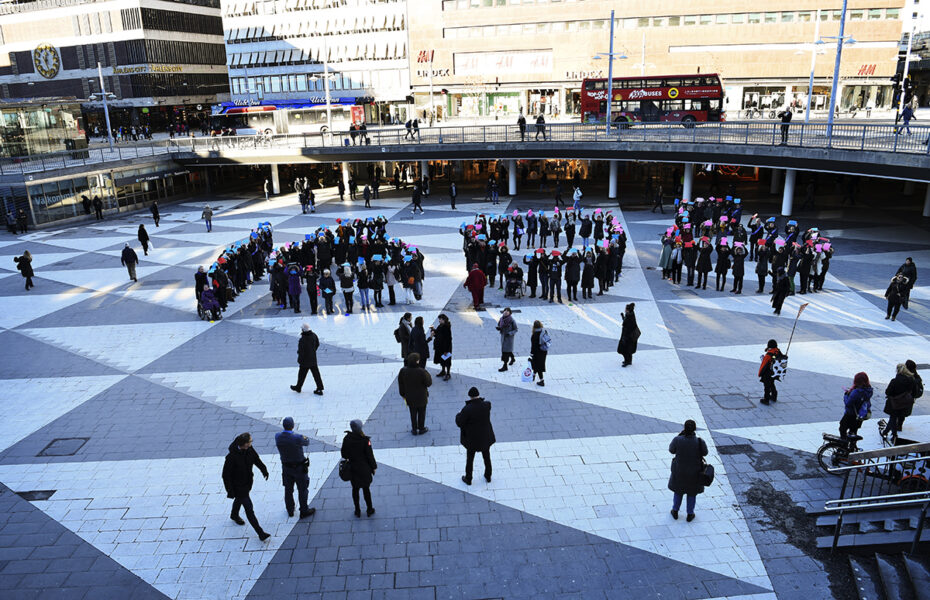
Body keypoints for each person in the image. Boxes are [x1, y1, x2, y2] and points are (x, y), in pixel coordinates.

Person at [222, 432, 271, 541]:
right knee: (249, 509)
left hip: (248, 482)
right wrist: (230, 491)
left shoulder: (249, 449)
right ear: (244, 444)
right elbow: (225, 476)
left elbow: (256, 459)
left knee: (239, 500)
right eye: (250, 442)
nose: (251, 443)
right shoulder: (231, 457)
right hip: (238, 487)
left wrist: (264, 470)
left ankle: (234, 515)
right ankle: (260, 533)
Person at [275, 417, 317, 519]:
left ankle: (290, 509)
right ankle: (304, 510)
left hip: (286, 467)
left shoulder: (278, 436)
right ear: (293, 426)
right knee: (302, 489)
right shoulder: (297, 438)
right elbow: (306, 442)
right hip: (299, 467)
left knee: (288, 489)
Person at [667, 420, 708, 522]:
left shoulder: (678, 439)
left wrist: (679, 436)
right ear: (694, 429)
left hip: (679, 471)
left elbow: (672, 450)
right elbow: (705, 453)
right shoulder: (699, 441)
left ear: (684, 428)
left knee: (678, 491)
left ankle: (675, 510)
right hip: (695, 472)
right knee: (692, 493)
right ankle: (690, 513)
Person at [456, 387, 495, 485]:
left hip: (472, 438)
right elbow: (487, 404)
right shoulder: (486, 405)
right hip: (485, 436)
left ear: (470, 396)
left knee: (470, 459)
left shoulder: (467, 409)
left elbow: (460, 423)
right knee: (486, 456)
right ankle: (488, 475)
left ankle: (468, 478)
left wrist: (458, 414)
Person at [341, 420, 377, 517]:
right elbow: (370, 456)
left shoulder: (347, 439)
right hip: (364, 469)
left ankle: (357, 510)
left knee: (355, 489)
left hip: (353, 469)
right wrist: (373, 467)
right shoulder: (365, 440)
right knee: (366, 489)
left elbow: (344, 454)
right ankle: (369, 509)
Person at [883, 362, 919, 441]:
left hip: (894, 403)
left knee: (893, 417)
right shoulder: (911, 380)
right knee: (894, 418)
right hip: (905, 404)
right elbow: (915, 393)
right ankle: (886, 431)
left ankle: (894, 434)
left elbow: (888, 392)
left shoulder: (894, 381)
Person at [398, 352, 432, 435]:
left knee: (412, 413)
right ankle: (421, 428)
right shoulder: (422, 371)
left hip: (409, 397)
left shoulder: (403, 371)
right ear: (417, 361)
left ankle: (414, 429)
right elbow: (429, 383)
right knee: (421, 413)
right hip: (421, 397)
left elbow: (401, 384)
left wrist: (403, 394)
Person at [291, 323, 324, 395]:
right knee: (316, 374)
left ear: (303, 330)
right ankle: (320, 388)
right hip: (313, 359)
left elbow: (301, 351)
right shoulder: (314, 335)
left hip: (304, 361)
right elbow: (317, 344)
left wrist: (300, 359)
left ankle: (298, 387)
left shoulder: (303, 339)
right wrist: (313, 351)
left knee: (301, 375)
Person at [840, 373, 873, 439]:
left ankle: (843, 445)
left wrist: (846, 395)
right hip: (860, 415)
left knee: (842, 428)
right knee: (853, 431)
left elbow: (848, 404)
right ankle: (852, 447)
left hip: (850, 414)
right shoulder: (869, 390)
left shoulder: (856, 392)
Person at [758, 339, 785, 405]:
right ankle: (774, 396)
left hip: (768, 373)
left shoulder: (769, 354)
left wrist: (760, 373)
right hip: (775, 372)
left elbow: (763, 365)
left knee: (767, 386)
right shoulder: (778, 351)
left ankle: (766, 399)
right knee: (772, 384)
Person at [431, 314, 453, 381]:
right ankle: (443, 371)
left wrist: (446, 350)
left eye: (440, 319)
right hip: (440, 347)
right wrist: (433, 330)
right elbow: (438, 334)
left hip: (445, 348)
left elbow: (449, 339)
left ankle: (448, 373)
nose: (439, 321)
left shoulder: (446, 327)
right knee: (442, 360)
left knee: (447, 361)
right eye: (439, 319)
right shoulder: (440, 326)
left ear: (444, 320)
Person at [617, 303, 639, 367]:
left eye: (625, 309)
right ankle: (628, 360)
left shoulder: (630, 317)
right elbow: (626, 322)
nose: (624, 309)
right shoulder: (630, 314)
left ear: (627, 310)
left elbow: (628, 326)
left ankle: (627, 361)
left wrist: (625, 337)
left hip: (628, 337)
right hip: (627, 336)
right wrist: (623, 317)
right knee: (627, 349)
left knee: (626, 349)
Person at [496, 307, 518, 372]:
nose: (505, 311)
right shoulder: (501, 319)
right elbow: (500, 325)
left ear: (510, 313)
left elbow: (516, 329)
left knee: (505, 352)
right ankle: (513, 358)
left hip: (509, 339)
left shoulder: (512, 321)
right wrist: (499, 328)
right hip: (503, 337)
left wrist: (510, 333)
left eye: (507, 311)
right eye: (505, 310)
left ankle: (505, 366)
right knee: (507, 350)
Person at [530, 320, 549, 387]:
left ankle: (542, 381)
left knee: (538, 366)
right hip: (544, 351)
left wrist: (531, 354)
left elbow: (533, 346)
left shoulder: (534, 335)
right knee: (539, 364)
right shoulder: (544, 331)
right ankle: (534, 375)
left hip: (537, 352)